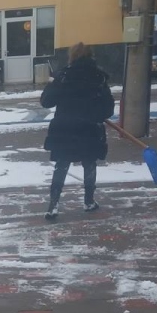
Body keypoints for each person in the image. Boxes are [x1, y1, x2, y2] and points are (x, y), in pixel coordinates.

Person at [40, 42, 115, 220]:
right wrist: (96, 113)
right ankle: (89, 201)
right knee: (89, 163)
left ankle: (53, 205)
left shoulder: (64, 75)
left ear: (71, 56)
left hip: (65, 128)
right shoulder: (99, 77)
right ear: (91, 56)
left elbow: (46, 101)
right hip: (89, 128)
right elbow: (108, 108)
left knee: (62, 165)